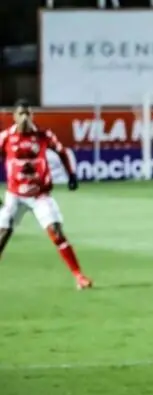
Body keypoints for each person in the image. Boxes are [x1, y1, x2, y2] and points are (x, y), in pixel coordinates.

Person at [0, 100, 93, 289]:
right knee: (2, 235)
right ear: (14, 116)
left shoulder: (43, 135)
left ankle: (79, 276)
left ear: (32, 115)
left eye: (28, 113)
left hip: (40, 194)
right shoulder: (5, 137)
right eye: (21, 113)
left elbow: (62, 152)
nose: (25, 117)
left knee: (57, 232)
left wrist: (71, 174)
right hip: (15, 195)